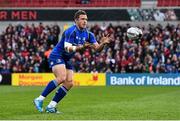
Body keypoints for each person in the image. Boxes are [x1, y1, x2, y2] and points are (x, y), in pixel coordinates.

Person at [33, 10, 112, 113]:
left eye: (86, 19)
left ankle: (51, 106)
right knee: (61, 77)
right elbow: (67, 48)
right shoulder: (71, 31)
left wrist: (103, 44)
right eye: (82, 19)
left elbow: (97, 49)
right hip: (57, 55)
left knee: (69, 83)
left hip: (66, 58)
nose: (85, 21)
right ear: (76, 20)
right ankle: (39, 99)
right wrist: (81, 48)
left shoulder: (88, 34)